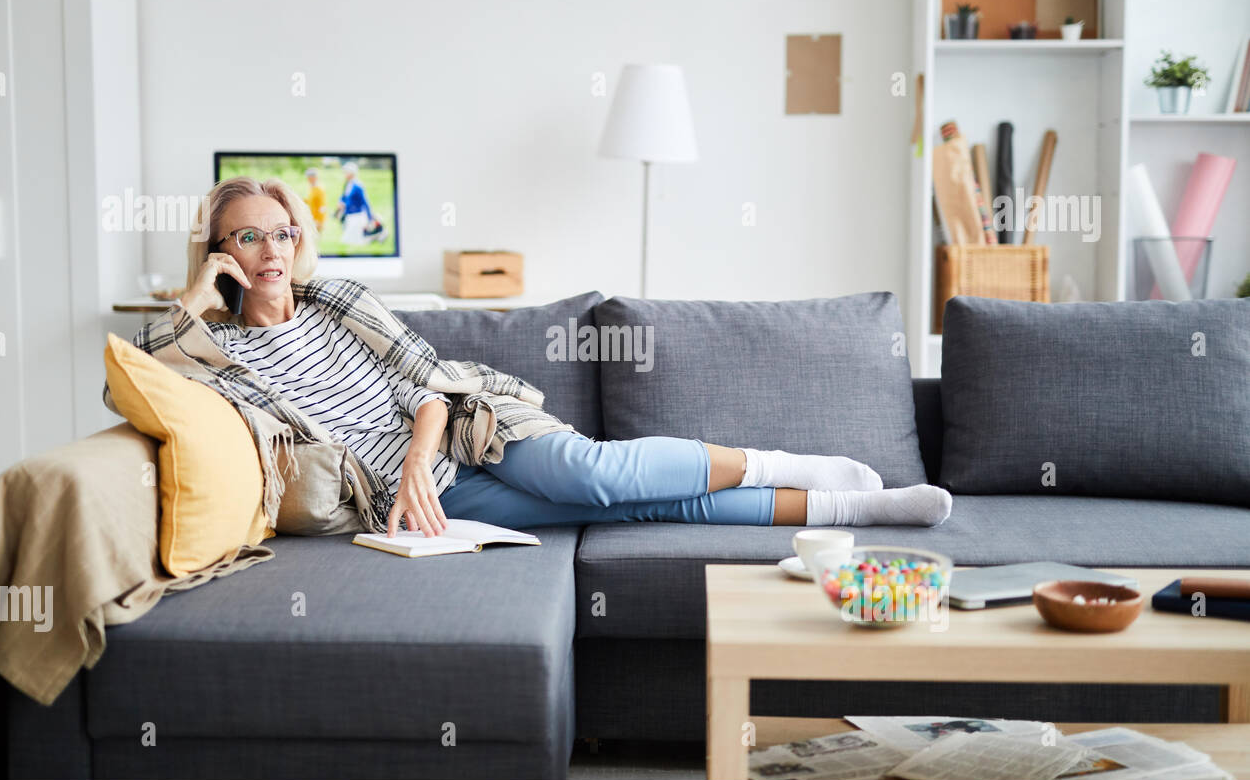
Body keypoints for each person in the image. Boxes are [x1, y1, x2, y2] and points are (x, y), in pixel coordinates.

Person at [175, 176, 953, 539]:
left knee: (594, 475)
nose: (270, 249)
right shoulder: (222, 354)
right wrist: (192, 296)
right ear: (221, 254)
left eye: (280, 232)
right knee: (642, 506)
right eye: (247, 236)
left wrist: (416, 457)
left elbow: (435, 384)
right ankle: (853, 509)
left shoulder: (340, 301)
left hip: (466, 431)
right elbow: (142, 379)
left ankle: (783, 462)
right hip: (420, 504)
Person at [334, 162, 374, 246]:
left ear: (352, 173)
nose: (344, 174)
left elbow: (365, 202)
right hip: (349, 214)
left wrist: (370, 218)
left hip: (356, 215)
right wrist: (340, 202)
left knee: (354, 241)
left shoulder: (358, 186)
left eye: (346, 172)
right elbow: (344, 196)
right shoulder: (348, 184)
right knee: (347, 239)